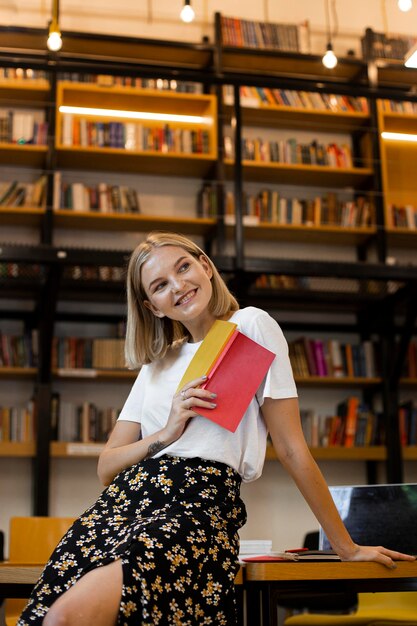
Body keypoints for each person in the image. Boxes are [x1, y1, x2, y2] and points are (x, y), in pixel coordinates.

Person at [19, 231, 415, 626]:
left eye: (184, 267)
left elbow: (293, 448)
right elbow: (107, 468)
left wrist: (345, 547)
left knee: (67, 618)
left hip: (196, 505)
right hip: (119, 508)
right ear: (151, 306)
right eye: (160, 285)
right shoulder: (156, 363)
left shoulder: (250, 325)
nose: (178, 286)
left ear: (205, 266)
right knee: (47, 614)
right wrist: (166, 433)